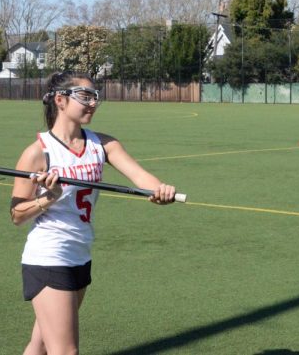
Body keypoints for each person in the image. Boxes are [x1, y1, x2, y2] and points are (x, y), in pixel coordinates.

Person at [10, 71, 177, 355]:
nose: (93, 103)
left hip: (80, 254)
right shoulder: (38, 153)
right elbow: (16, 214)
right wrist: (47, 198)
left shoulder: (103, 145)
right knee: (66, 351)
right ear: (61, 100)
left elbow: (140, 176)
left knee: (39, 346)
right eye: (85, 97)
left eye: (95, 97)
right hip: (49, 255)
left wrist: (160, 191)